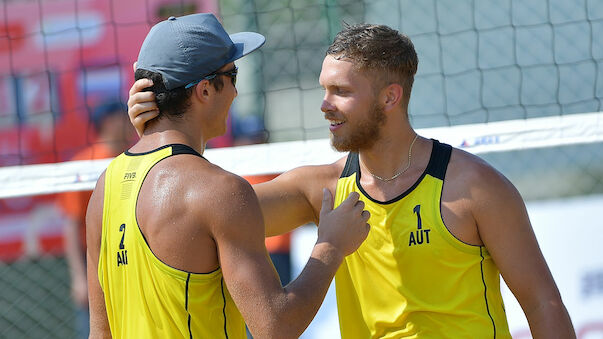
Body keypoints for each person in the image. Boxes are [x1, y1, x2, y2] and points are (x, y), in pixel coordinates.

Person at [127, 23, 576, 338]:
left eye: (340, 91)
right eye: (324, 89)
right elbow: (198, 212)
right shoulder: (319, 189)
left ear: (390, 97)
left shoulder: (475, 187)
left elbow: (543, 304)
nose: (324, 105)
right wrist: (165, 131)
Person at [86, 13, 370, 339]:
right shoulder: (219, 191)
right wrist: (331, 246)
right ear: (205, 90)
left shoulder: (105, 187)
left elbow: (100, 334)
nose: (235, 92)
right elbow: (276, 326)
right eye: (232, 75)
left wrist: (154, 136)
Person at [57, 101, 131, 339]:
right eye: (124, 116)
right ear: (109, 122)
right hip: (96, 269)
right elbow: (71, 225)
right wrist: (79, 277)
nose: (130, 121)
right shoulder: (84, 164)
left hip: (131, 265)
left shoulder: (135, 158)